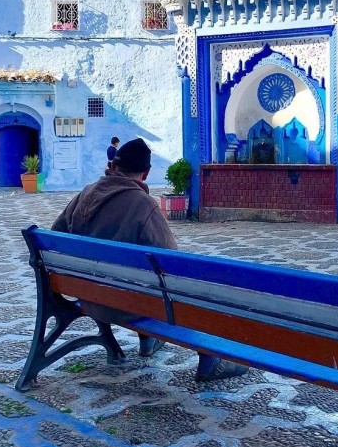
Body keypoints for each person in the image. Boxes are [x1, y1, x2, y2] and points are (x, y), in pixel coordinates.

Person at [51, 137, 248, 382]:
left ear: (113, 166)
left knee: (142, 280)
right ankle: (211, 359)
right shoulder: (144, 205)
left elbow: (55, 235)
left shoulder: (85, 194)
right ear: (146, 173)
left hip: (88, 298)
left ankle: (148, 340)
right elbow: (173, 266)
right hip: (127, 306)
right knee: (192, 290)